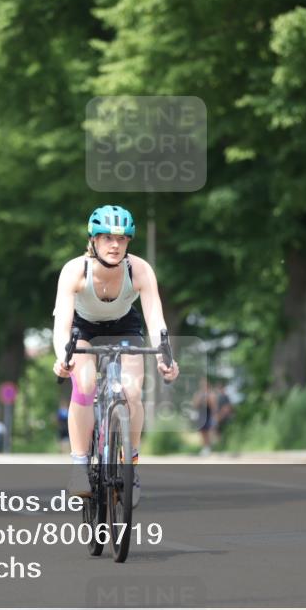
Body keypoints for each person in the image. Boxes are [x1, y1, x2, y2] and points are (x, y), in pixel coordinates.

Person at [52, 204, 180, 506]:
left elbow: (155, 319)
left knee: (132, 391)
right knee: (84, 386)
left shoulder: (139, 270)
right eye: (107, 237)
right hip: (82, 328)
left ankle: (130, 467)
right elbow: (62, 325)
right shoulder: (75, 271)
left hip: (124, 325)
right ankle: (80, 465)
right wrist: (63, 358)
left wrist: (166, 357)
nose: (114, 245)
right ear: (93, 240)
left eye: (121, 239)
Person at [192, 377, 217, 456]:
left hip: (209, 415)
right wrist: (200, 398)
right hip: (201, 415)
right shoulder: (198, 394)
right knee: (202, 432)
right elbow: (195, 405)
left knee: (209, 432)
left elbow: (213, 406)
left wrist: (208, 399)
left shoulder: (211, 394)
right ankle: (205, 448)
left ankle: (208, 448)